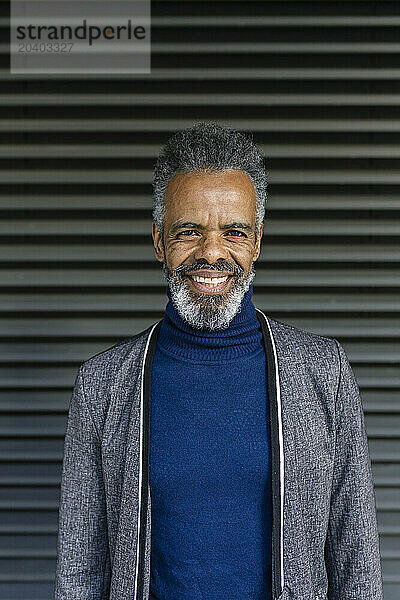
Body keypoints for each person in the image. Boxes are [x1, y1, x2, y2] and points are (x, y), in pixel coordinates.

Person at [54, 122, 384, 600]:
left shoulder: (323, 373)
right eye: (189, 231)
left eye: (234, 232)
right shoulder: (103, 386)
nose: (212, 252)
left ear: (257, 243)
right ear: (158, 241)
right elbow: (80, 573)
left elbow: (357, 567)